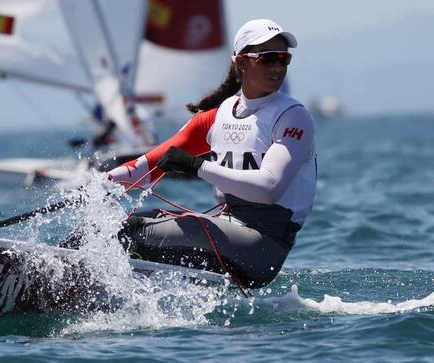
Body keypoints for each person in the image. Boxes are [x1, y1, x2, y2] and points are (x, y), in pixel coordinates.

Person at [105, 19, 317, 288]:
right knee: (121, 225)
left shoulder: (293, 117)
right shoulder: (218, 115)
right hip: (227, 230)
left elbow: (269, 188)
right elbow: (150, 163)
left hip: (263, 246)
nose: (277, 67)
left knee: (133, 230)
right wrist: (102, 184)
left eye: (284, 59)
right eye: (267, 59)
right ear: (241, 62)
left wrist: (196, 166)